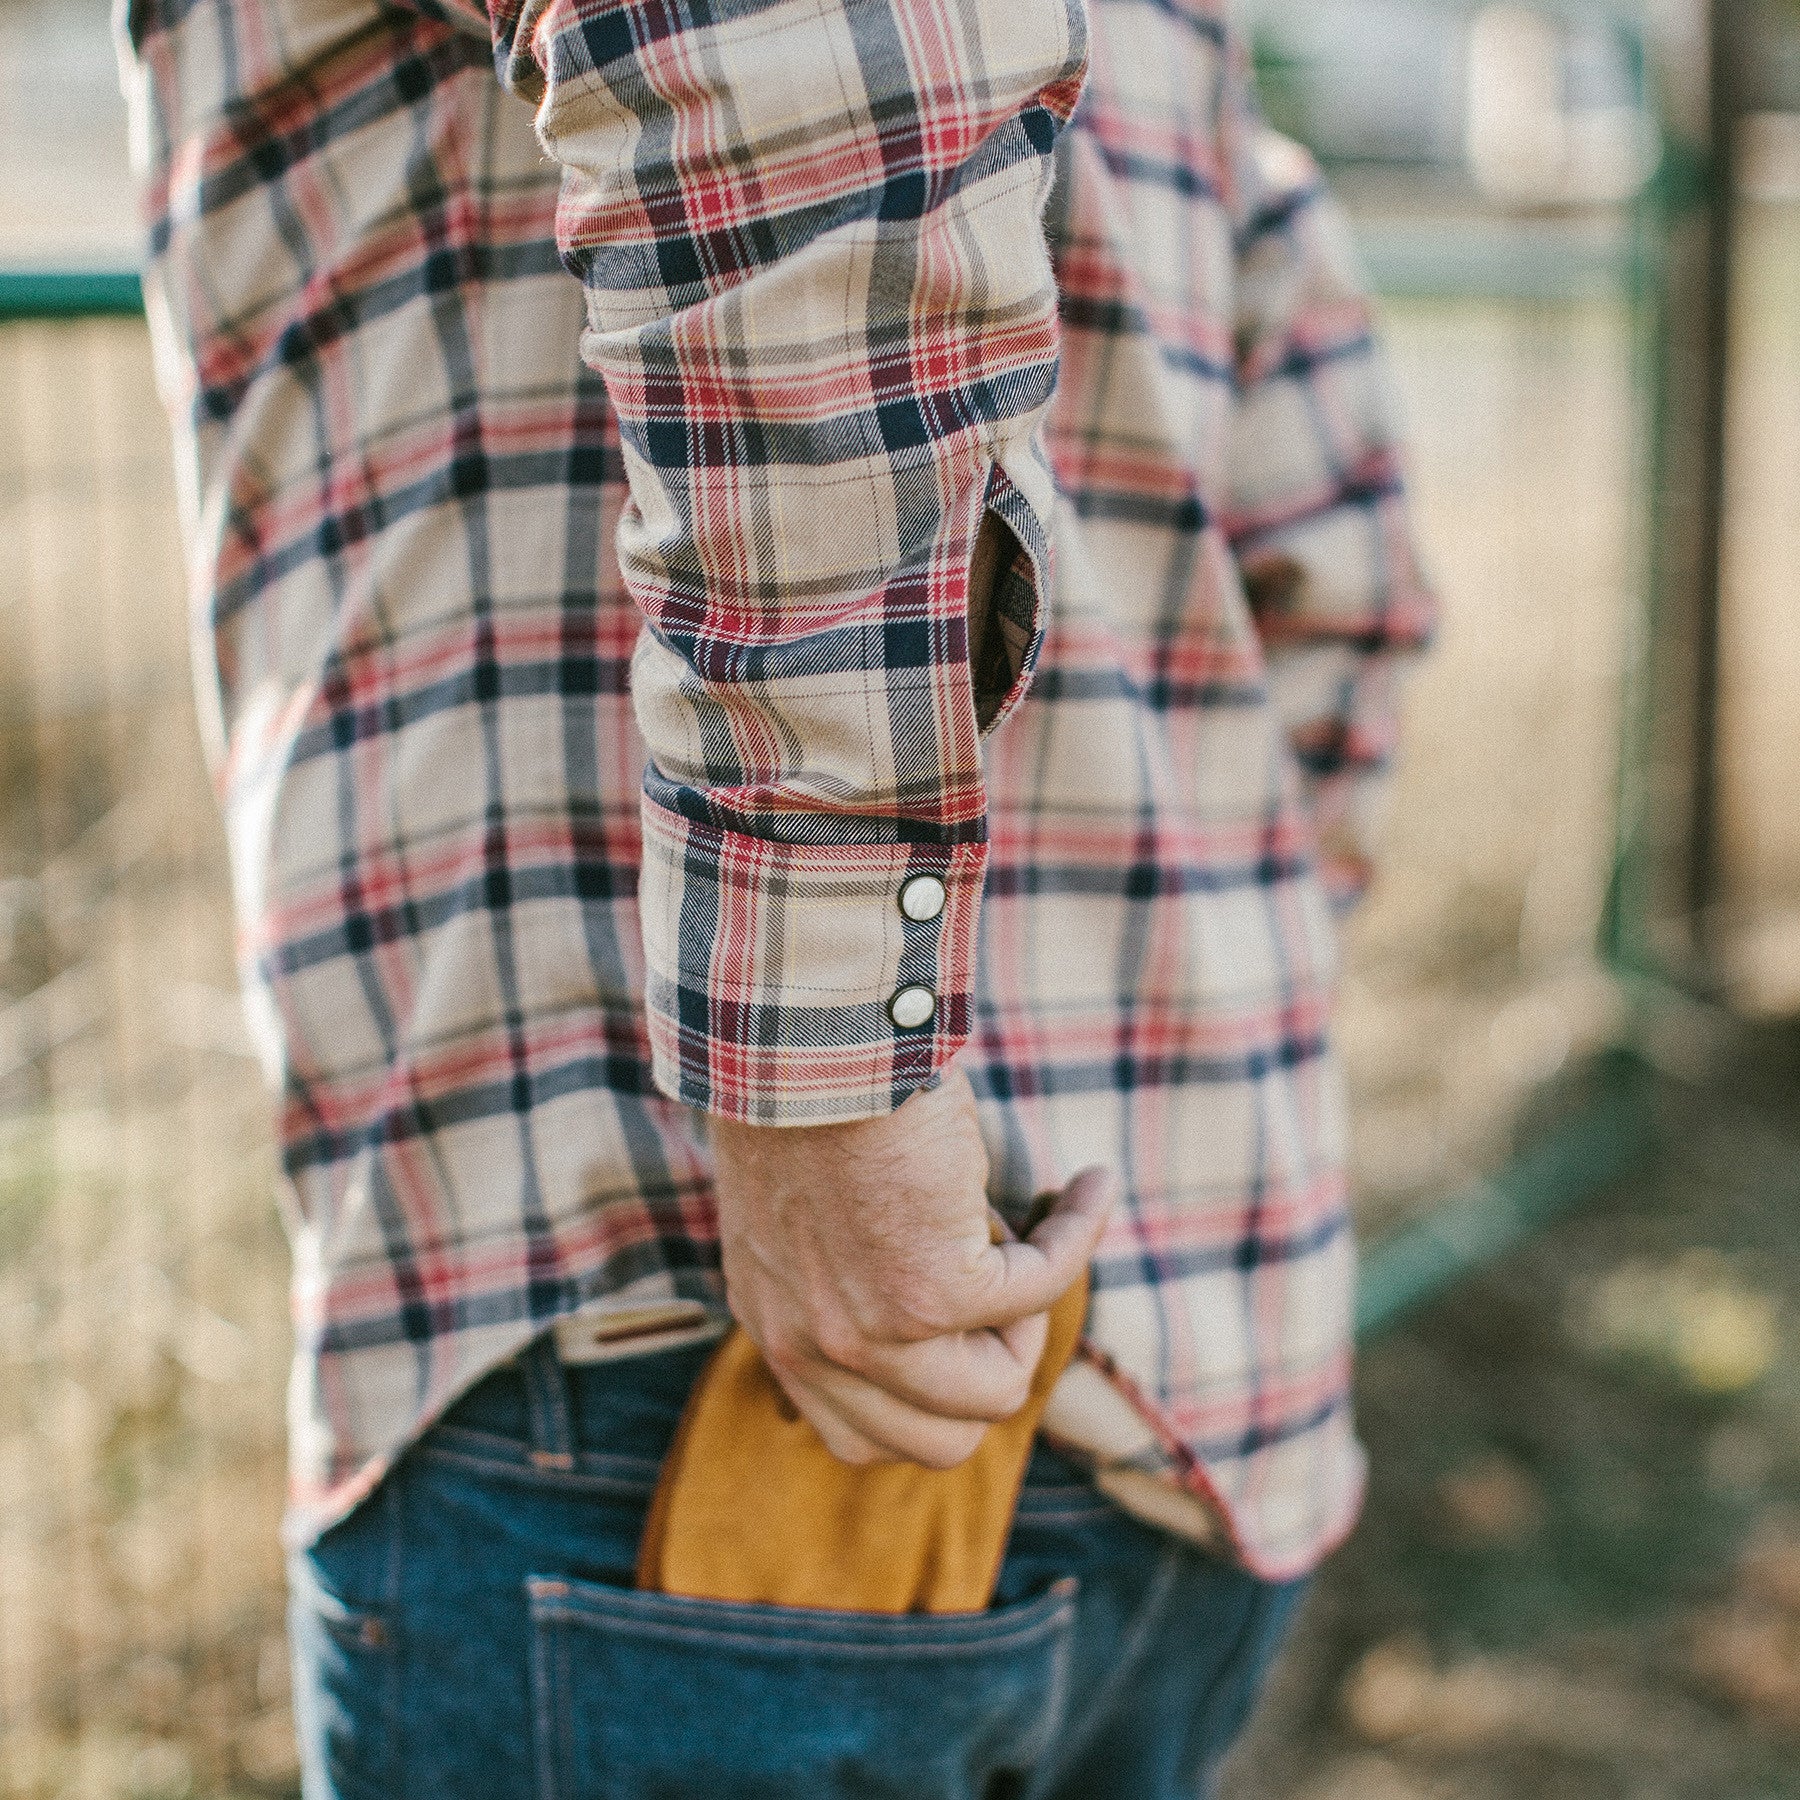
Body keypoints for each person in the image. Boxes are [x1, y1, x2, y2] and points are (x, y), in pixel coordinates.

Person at [117, 0, 1434, 1791]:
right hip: (1195, 1374)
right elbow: (1339, 573)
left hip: (684, 1368)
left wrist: (828, 1083)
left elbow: (795, 48)